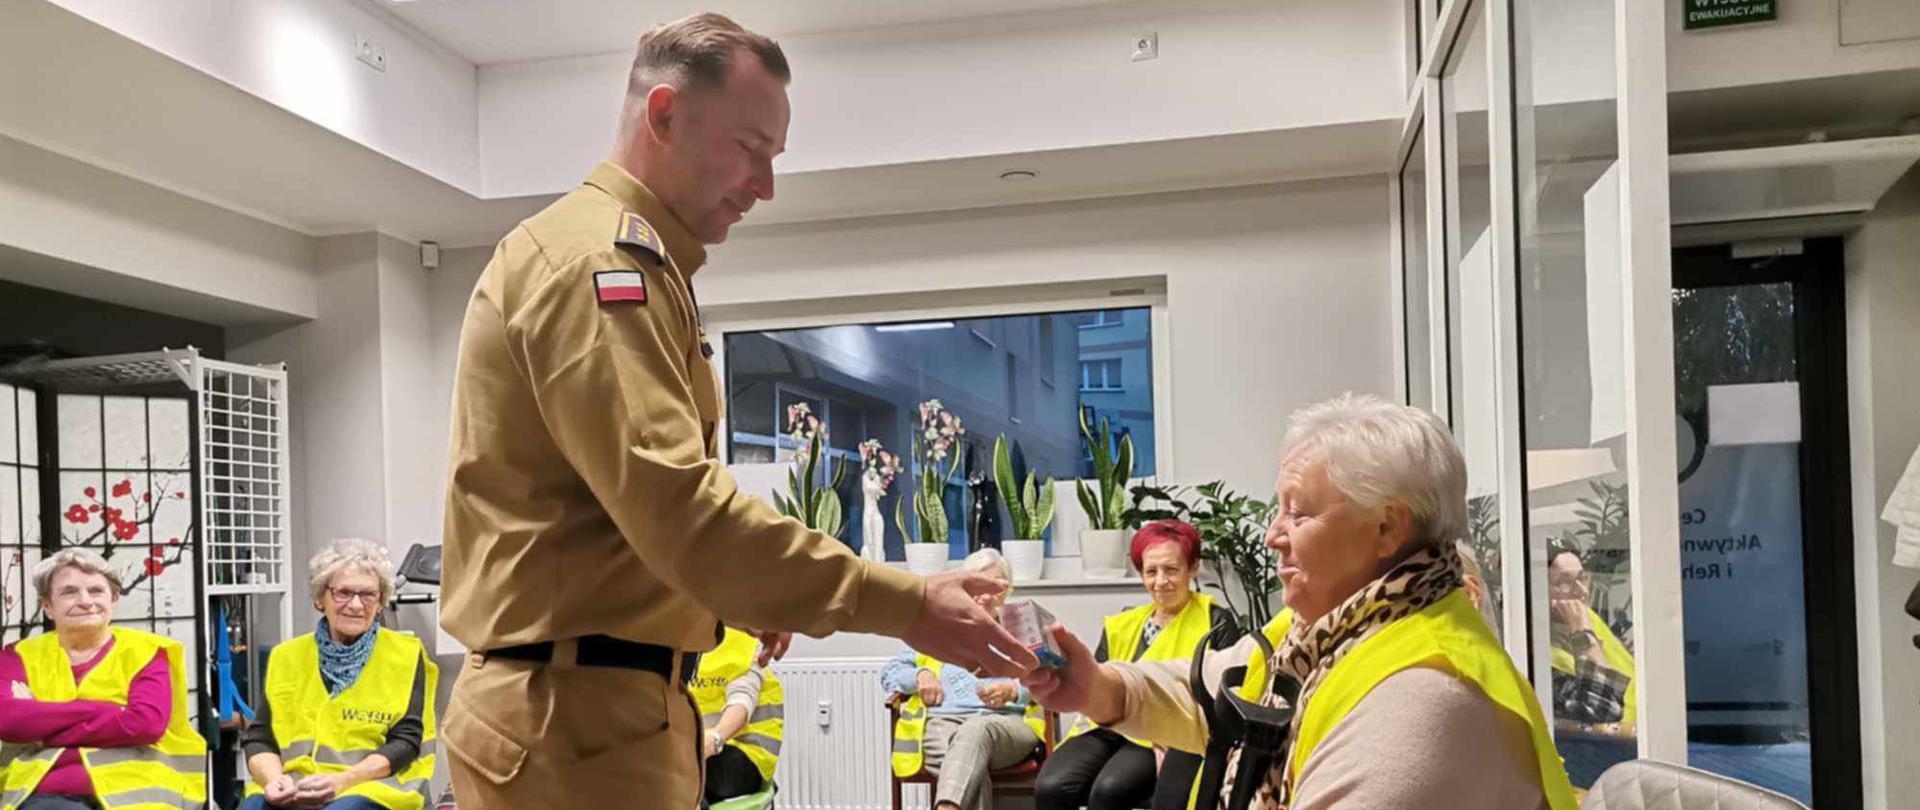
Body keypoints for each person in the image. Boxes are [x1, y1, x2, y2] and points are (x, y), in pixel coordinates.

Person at [437, 12, 1036, 808]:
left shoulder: (636, 265)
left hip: (593, 710)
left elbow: (611, 515)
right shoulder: (598, 269)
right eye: (750, 151)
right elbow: (678, 507)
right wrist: (908, 604)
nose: (766, 185)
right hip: (573, 722)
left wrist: (720, 596)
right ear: (663, 115)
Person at [1022, 394, 1579, 810]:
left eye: (1299, 513)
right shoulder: (1332, 626)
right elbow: (1215, 692)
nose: (1272, 535)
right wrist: (1095, 686)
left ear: (1386, 526)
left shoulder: (1422, 696)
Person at [1036, 520, 1238, 810]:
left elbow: (1225, 697)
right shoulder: (1124, 623)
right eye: (1151, 571)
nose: (1160, 581)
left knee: (1109, 791)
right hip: (1107, 723)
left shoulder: (1215, 621)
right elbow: (1094, 679)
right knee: (1051, 786)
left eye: (1171, 570)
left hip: (1159, 726)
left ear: (1192, 569)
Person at [0, 549, 207, 810]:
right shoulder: (17, 656)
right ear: (47, 606)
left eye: (96, 591)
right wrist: (108, 710)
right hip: (49, 796)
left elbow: (146, 724)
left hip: (142, 794)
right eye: (69, 592)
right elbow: (9, 720)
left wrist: (43, 722)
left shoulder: (148, 652)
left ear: (114, 599)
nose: (85, 601)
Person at [240, 539, 437, 810]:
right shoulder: (286, 656)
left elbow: (406, 742)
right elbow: (260, 738)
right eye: (343, 593)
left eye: (368, 595)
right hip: (298, 785)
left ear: (380, 603)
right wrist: (274, 781)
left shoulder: (405, 654)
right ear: (321, 599)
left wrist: (342, 781)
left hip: (374, 787)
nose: (356, 605)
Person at [883, 550, 1046, 810]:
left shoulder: (1023, 628)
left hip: (1006, 725)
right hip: (942, 723)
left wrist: (1014, 691)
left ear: (1006, 590)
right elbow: (890, 672)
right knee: (968, 765)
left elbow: (1051, 679)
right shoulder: (938, 627)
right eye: (976, 585)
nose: (984, 596)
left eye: (994, 587)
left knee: (974, 731)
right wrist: (920, 674)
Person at [1547, 543, 1635, 730]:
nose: (1582, 591)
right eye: (1563, 583)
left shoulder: (1588, 618)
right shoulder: (1533, 653)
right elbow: (1602, 712)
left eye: (1582, 579)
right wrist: (1583, 635)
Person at [692, 628, 784, 807]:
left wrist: (715, 738)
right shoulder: (685, 649)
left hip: (743, 754)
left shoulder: (743, 646)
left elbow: (741, 703)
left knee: (679, 774)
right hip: (702, 752)